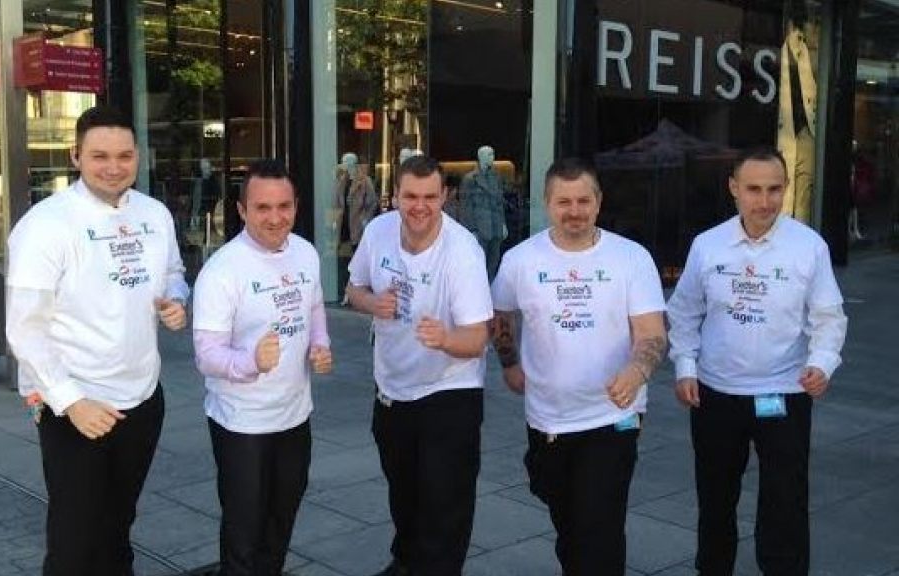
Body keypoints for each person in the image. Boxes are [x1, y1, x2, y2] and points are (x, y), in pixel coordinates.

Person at [5, 105, 189, 576]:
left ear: (138, 156)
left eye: (124, 155)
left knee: (118, 528)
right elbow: (25, 328)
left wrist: (175, 299)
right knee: (73, 543)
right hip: (77, 407)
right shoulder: (46, 225)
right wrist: (71, 401)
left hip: (143, 399)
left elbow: (174, 272)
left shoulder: (154, 214)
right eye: (99, 156)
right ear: (76, 156)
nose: (113, 167)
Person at [667, 146, 847, 576]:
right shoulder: (707, 245)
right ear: (733, 188)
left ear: (785, 189)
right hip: (715, 393)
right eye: (753, 189)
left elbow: (829, 316)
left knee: (785, 502)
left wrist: (822, 363)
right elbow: (684, 311)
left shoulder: (809, 246)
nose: (764, 201)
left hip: (783, 393)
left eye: (774, 189)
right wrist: (685, 366)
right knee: (715, 499)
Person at [491, 158, 666, 576]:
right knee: (568, 522)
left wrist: (636, 372)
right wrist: (510, 362)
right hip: (548, 418)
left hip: (614, 416)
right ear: (547, 203)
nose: (574, 211)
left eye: (583, 201)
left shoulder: (631, 258)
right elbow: (500, 315)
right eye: (564, 202)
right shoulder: (520, 260)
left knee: (600, 528)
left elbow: (652, 333)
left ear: (599, 202)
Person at [346, 155, 492, 576]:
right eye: (410, 196)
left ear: (445, 196)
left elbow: (477, 338)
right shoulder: (378, 231)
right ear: (395, 196)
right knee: (404, 493)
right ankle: (406, 563)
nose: (420, 206)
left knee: (444, 504)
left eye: (430, 196)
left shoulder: (462, 252)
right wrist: (373, 302)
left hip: (448, 391)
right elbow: (353, 289)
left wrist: (445, 339)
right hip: (392, 387)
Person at [193, 159, 332, 576]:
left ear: (296, 206)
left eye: (284, 206)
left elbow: (314, 306)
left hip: (294, 414)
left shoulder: (305, 253)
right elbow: (206, 355)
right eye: (262, 208)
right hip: (242, 423)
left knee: (282, 517)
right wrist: (250, 362)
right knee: (244, 530)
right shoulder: (222, 270)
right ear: (241, 210)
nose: (275, 218)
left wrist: (320, 343)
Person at [460, 145, 508, 278]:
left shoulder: (496, 177)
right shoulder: (470, 179)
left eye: (493, 154)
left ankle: (491, 287)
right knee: (478, 263)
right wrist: (471, 230)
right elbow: (465, 207)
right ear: (480, 156)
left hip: (495, 227)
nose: (492, 157)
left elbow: (499, 204)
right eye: (489, 155)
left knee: (494, 263)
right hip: (480, 228)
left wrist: (503, 224)